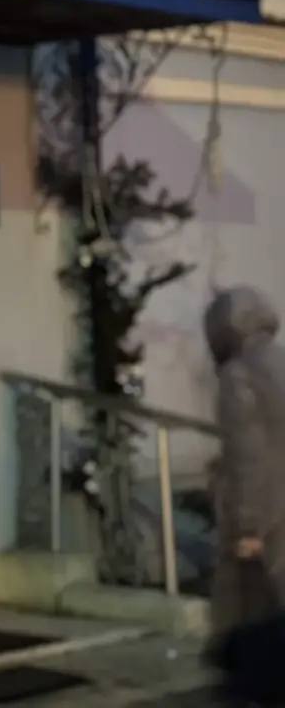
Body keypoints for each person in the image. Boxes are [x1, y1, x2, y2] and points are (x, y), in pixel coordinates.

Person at [206, 286, 285, 703]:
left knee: (252, 611)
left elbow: (247, 454)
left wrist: (247, 527)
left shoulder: (238, 375)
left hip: (267, 512)